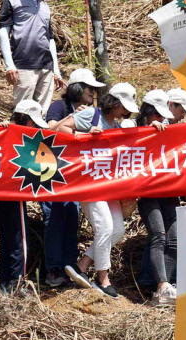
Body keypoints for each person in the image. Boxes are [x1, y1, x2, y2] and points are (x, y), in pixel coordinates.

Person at [59, 83, 140, 298]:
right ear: (114, 102)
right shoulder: (91, 115)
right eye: (123, 106)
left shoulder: (118, 126)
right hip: (90, 183)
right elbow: (61, 128)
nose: (125, 111)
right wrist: (85, 135)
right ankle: (103, 278)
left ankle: (82, 265)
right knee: (104, 227)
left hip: (109, 186)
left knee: (118, 231)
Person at [41, 68, 105, 288]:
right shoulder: (58, 107)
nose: (92, 93)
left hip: (76, 174)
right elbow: (51, 131)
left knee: (71, 219)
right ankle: (53, 270)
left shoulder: (93, 112)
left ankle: (69, 267)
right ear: (77, 88)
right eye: (89, 88)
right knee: (54, 219)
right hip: (54, 172)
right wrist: (73, 118)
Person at [0, 100, 49, 294]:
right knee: (18, 240)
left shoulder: (12, 133)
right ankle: (16, 283)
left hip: (5, 192)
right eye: (32, 123)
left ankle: (7, 285)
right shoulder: (4, 132)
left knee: (11, 238)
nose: (34, 127)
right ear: (25, 120)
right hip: (11, 193)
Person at [135, 90, 178, 306]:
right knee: (159, 235)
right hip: (148, 192)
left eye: (163, 116)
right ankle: (161, 285)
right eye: (158, 115)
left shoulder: (169, 130)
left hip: (169, 192)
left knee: (174, 239)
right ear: (148, 112)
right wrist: (147, 132)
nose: (161, 120)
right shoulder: (132, 129)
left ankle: (167, 287)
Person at [0, 0, 63, 109]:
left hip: (46, 66)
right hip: (24, 64)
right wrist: (9, 65)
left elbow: (50, 39)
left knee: (42, 112)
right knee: (22, 111)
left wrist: (56, 70)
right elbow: (3, 31)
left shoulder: (44, 5)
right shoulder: (12, 2)